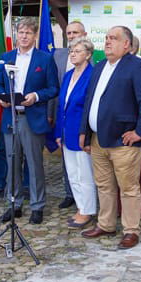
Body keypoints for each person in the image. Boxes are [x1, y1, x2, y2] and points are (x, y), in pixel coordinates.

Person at [79, 26, 141, 250]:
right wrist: (85, 131)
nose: (108, 42)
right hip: (98, 139)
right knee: (104, 185)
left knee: (128, 188)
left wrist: (140, 132)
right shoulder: (99, 66)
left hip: (123, 140)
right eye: (107, 38)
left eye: (114, 38)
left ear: (127, 44)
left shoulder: (137, 66)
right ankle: (106, 224)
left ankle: (131, 230)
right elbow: (90, 100)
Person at [0, 17, 60, 225]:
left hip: (32, 117)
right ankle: (14, 204)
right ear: (16, 35)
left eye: (28, 33)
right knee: (12, 163)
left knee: (34, 164)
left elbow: (53, 88)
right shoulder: (6, 58)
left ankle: (37, 206)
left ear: (35, 36)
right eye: (21, 32)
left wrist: (36, 96)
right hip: (10, 117)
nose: (23, 36)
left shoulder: (44, 59)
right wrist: (1, 97)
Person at [53, 38, 97, 229]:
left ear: (88, 55)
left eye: (77, 51)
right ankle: (80, 207)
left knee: (84, 174)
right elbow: (61, 105)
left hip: (81, 134)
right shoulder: (68, 74)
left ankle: (87, 210)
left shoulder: (92, 75)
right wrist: (58, 132)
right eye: (71, 50)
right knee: (72, 174)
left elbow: (88, 108)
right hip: (65, 131)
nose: (72, 53)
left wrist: (85, 135)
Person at [46, 20, 88, 209]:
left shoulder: (94, 62)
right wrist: (50, 114)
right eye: (69, 33)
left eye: (75, 33)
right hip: (61, 116)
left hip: (81, 121)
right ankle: (69, 193)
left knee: (83, 165)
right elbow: (54, 88)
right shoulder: (58, 55)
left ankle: (86, 202)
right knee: (67, 160)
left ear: (84, 34)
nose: (71, 36)